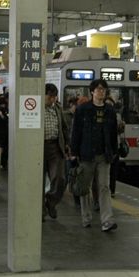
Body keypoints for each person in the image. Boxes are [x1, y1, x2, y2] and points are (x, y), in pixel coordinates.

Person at [69, 78, 119, 232]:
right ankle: (86, 217)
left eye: (103, 89)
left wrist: (114, 151)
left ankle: (107, 220)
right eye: (98, 89)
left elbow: (113, 133)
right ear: (92, 92)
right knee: (85, 187)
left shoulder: (110, 111)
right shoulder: (83, 109)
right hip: (86, 154)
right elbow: (76, 132)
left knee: (104, 187)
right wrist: (74, 152)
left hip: (104, 155)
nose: (101, 91)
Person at [42, 83, 70, 220]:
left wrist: (67, 144)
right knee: (38, 181)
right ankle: (40, 210)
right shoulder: (36, 108)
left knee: (60, 178)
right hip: (39, 147)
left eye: (54, 97)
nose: (52, 100)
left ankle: (51, 201)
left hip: (55, 147)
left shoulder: (58, 109)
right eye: (50, 96)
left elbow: (64, 128)